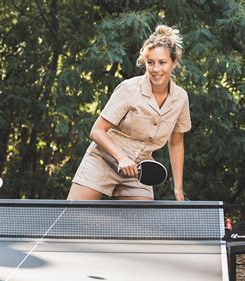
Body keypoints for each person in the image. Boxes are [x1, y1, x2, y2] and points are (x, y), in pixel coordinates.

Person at [68, 25, 191, 201]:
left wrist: (178, 189)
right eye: (150, 63)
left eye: (162, 62)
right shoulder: (129, 89)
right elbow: (97, 131)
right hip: (102, 160)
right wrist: (121, 157)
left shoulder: (181, 99)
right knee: (72, 220)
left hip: (138, 171)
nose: (156, 69)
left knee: (136, 228)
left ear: (174, 62)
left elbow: (177, 142)